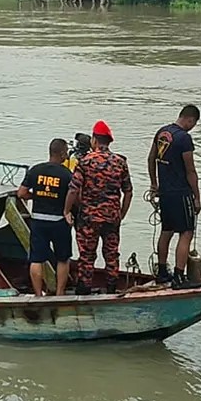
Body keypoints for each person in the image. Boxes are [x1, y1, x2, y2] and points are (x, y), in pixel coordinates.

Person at [64, 120, 133, 295]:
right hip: (112, 218)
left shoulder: (85, 162)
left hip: (88, 218)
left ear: (94, 140)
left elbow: (73, 189)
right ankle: (111, 288)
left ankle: (84, 289)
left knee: (87, 255)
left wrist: (66, 211)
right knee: (111, 255)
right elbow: (129, 192)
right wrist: (121, 214)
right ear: (108, 141)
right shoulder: (120, 162)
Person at [148, 104, 201, 289]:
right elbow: (190, 171)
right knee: (186, 233)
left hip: (165, 193)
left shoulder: (162, 132)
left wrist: (154, 184)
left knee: (166, 230)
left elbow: (151, 159)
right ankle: (179, 278)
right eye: (193, 123)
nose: (192, 127)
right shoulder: (184, 138)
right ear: (190, 119)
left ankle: (162, 272)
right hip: (181, 193)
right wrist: (197, 197)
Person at [17, 138, 74, 297]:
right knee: (63, 258)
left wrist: (36, 196)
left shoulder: (35, 170)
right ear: (62, 153)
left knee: (36, 259)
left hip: (38, 221)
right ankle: (60, 293)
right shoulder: (66, 174)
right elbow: (74, 195)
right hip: (59, 221)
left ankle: (38, 295)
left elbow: (21, 193)